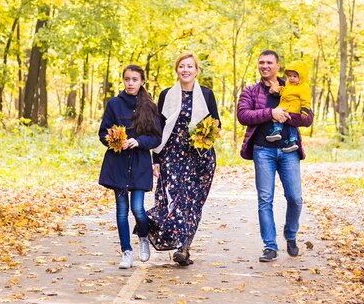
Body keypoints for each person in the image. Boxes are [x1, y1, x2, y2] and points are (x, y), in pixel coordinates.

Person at [237, 50, 314, 262]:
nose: (265, 66)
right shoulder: (251, 91)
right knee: (265, 199)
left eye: (269, 62)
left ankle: (290, 235)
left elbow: (307, 119)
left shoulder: (293, 85)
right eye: (261, 62)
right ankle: (270, 246)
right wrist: (271, 113)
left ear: (278, 65)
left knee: (295, 198)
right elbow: (243, 116)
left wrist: (285, 116)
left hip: (289, 151)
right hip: (263, 151)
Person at [146, 53, 220, 266]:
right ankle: (168, 234)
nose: (186, 70)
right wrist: (156, 158)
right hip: (173, 155)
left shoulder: (206, 94)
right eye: (182, 66)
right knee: (176, 199)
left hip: (200, 156)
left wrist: (205, 135)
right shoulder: (166, 94)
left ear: (197, 70)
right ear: (177, 70)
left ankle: (184, 248)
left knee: (194, 202)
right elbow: (158, 128)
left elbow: (217, 124)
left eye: (190, 66)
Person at [98, 65, 162, 269]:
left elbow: (156, 137)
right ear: (123, 81)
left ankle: (144, 237)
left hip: (139, 164)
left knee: (138, 208)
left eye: (135, 79)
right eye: (127, 79)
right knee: (121, 210)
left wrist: (138, 141)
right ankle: (126, 251)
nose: (130, 83)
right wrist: (116, 141)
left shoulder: (149, 106)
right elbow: (102, 133)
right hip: (118, 163)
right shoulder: (114, 104)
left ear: (142, 81)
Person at [266, 61, 312, 153]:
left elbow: (306, 100)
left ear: (301, 77)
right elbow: (285, 92)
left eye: (295, 76)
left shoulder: (303, 87)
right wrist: (277, 90)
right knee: (289, 123)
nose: (291, 78)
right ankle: (290, 139)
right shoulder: (288, 84)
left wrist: (305, 111)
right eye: (290, 76)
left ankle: (280, 132)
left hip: (294, 109)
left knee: (282, 119)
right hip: (286, 107)